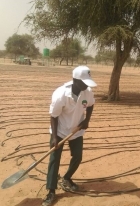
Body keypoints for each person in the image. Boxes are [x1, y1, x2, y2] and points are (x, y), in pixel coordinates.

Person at [42, 66, 97, 206]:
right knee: (55, 159)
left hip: (76, 130)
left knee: (78, 156)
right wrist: (54, 137)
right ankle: (51, 191)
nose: (86, 85)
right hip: (59, 131)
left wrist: (87, 120)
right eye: (84, 82)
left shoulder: (87, 92)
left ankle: (66, 178)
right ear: (75, 80)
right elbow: (53, 116)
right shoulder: (60, 94)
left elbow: (90, 105)